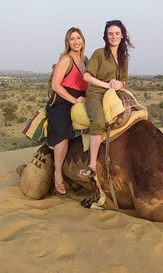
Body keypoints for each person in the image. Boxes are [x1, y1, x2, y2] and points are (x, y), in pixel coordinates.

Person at [78, 20, 134, 178]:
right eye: (110, 34)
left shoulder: (124, 58)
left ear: (122, 35)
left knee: (136, 112)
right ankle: (92, 164)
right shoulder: (99, 53)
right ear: (106, 36)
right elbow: (86, 76)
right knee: (99, 122)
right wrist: (106, 84)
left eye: (117, 33)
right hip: (96, 92)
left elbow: (124, 80)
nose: (114, 36)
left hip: (113, 93)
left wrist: (119, 84)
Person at [47, 27, 88, 195]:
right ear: (68, 42)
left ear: (83, 40)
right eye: (72, 39)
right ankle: (58, 173)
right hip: (62, 102)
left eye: (78, 38)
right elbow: (55, 85)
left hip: (80, 100)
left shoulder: (86, 60)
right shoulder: (66, 60)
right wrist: (74, 101)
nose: (76, 41)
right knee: (64, 133)